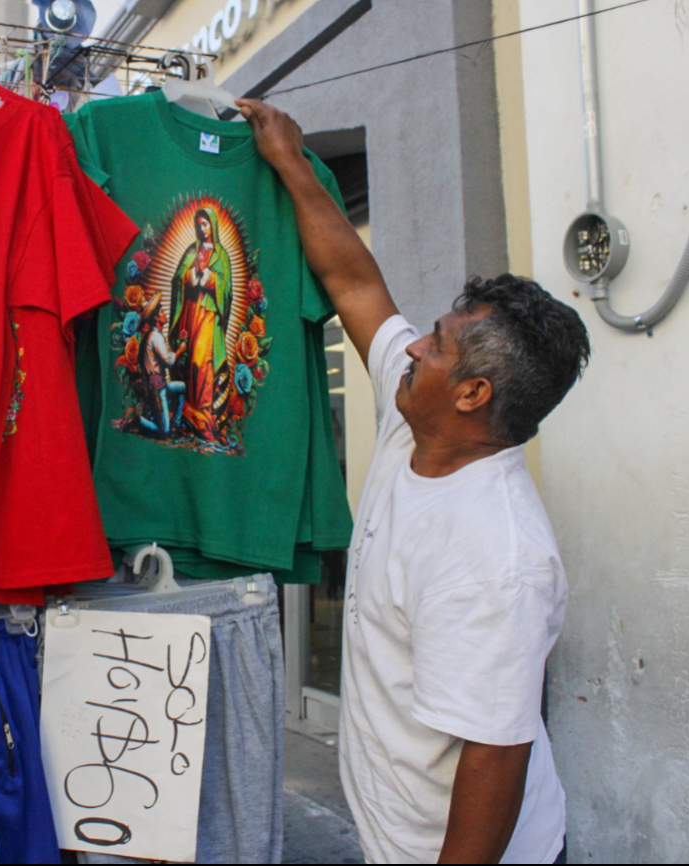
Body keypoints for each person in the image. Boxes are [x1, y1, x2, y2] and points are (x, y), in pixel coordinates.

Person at [237, 98, 590, 864]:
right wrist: (289, 161)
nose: (412, 348)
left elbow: (495, 756)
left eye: (434, 344)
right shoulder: (416, 422)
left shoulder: (494, 554)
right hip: (396, 837)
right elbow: (356, 286)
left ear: (472, 394)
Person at [171, 207, 233, 443]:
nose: (201, 228)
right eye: (199, 225)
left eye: (205, 224)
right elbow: (178, 278)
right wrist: (191, 276)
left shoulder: (221, 256)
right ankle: (190, 416)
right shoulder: (192, 250)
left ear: (213, 226)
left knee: (201, 361)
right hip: (191, 311)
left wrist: (208, 278)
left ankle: (205, 414)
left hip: (209, 313)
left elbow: (226, 290)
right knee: (189, 364)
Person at [138, 295, 187, 437]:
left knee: (182, 387)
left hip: (160, 383)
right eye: (162, 313)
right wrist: (179, 351)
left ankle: (176, 425)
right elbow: (168, 361)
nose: (165, 315)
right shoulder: (156, 337)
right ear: (157, 318)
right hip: (157, 386)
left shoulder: (153, 335)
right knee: (163, 431)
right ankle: (138, 420)